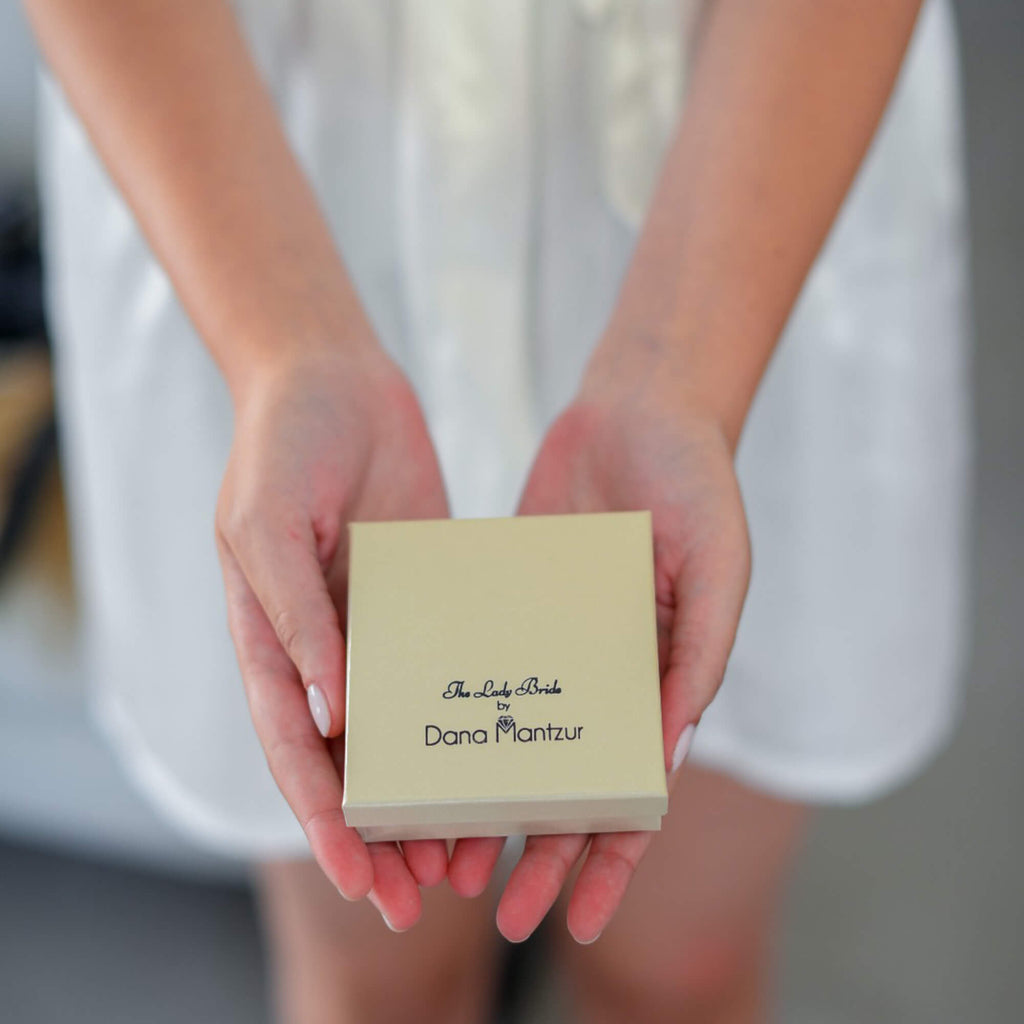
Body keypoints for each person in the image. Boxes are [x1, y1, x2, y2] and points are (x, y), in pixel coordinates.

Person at [25, 0, 970, 1021]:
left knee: (684, 972)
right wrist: (280, 351)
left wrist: (688, 378)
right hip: (254, 174)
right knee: (380, 987)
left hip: (748, 155)